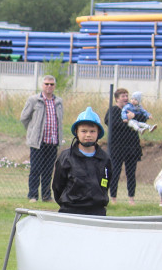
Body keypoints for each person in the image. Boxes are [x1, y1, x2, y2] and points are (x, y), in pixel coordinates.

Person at [52, 107, 112, 216]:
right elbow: (58, 187)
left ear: (98, 133)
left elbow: (106, 184)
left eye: (92, 131)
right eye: (84, 131)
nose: (88, 135)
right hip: (70, 212)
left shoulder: (105, 159)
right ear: (76, 132)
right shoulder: (66, 158)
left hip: (97, 213)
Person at [19, 74, 64, 203]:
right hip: (38, 142)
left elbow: (60, 121)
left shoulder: (58, 102)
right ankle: (33, 195)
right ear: (42, 85)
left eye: (51, 84)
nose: (49, 86)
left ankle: (46, 195)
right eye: (46, 84)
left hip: (52, 141)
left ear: (54, 86)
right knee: (35, 169)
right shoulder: (34, 100)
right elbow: (24, 118)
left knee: (48, 171)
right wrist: (33, 130)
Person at [104, 87, 142, 206]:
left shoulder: (132, 109)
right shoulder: (113, 110)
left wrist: (132, 117)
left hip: (131, 147)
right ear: (117, 99)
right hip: (117, 147)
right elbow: (112, 123)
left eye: (127, 96)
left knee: (131, 173)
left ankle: (131, 199)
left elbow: (141, 120)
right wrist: (128, 120)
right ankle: (113, 198)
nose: (126, 98)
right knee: (115, 172)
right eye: (123, 96)